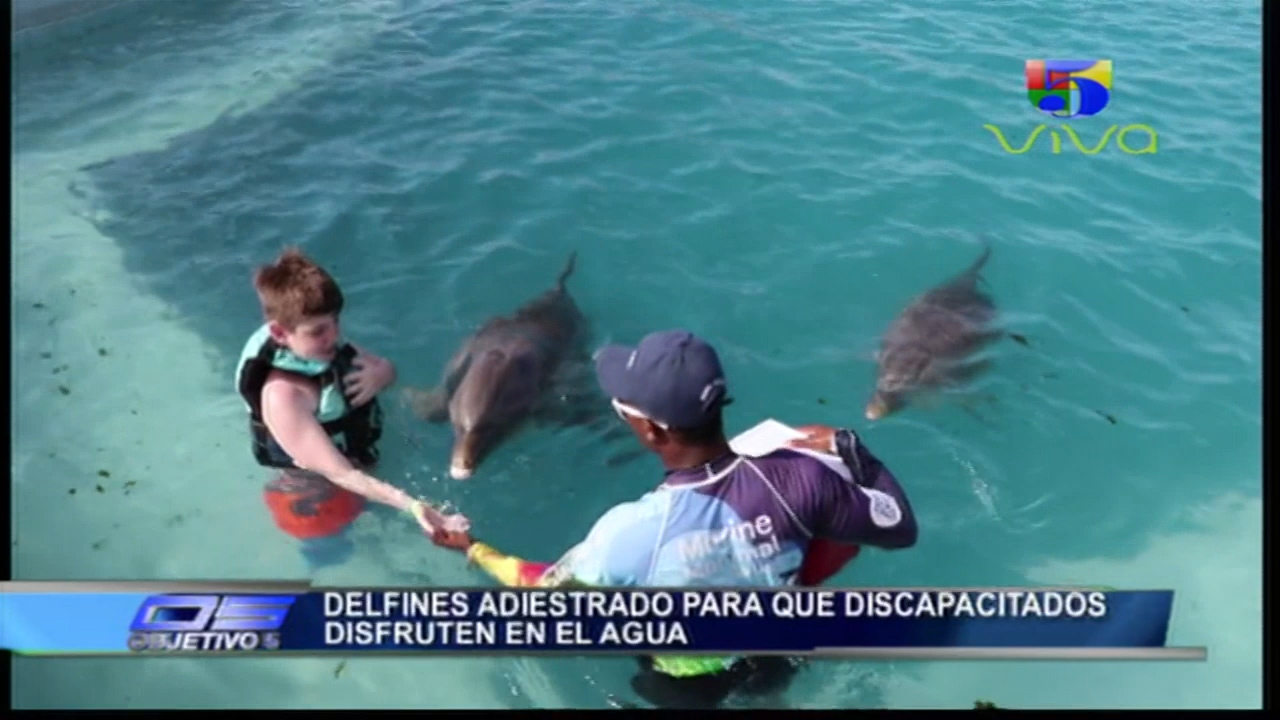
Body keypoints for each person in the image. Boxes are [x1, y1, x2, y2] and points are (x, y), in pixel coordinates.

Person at [429, 329, 918, 709]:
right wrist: (851, 451)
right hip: (778, 653)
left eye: (624, 407)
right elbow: (897, 528)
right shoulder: (800, 479)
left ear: (651, 428)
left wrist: (472, 547)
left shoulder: (631, 533)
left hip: (687, 686)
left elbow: (542, 590)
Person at [235, 247, 466, 569]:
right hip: (314, 495)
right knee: (332, 550)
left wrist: (382, 373)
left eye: (334, 322)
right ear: (279, 333)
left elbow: (386, 370)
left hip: (359, 463)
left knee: (372, 516)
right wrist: (415, 507)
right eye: (318, 330)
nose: (335, 335)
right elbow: (339, 473)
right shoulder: (284, 396)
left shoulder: (323, 347)